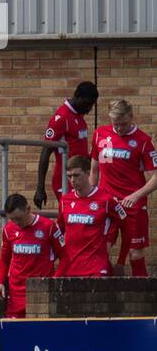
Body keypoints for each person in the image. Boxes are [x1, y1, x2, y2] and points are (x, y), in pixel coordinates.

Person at [90, 99, 157, 276]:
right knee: (101, 247)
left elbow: (155, 178)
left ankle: (143, 300)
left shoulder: (143, 141)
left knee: (135, 254)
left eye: (123, 124)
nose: (119, 128)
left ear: (131, 117)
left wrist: (136, 195)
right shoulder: (100, 135)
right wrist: (90, 198)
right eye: (115, 124)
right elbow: (94, 170)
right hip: (107, 203)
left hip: (132, 205)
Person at [0, 194, 64, 319]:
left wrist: (53, 280)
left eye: (18, 218)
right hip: (16, 294)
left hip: (41, 292)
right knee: (15, 334)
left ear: (28, 209)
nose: (16, 223)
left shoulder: (48, 227)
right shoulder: (8, 229)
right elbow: (4, 259)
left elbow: (64, 256)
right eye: (12, 219)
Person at [56, 156, 126, 277]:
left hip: (96, 266)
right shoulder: (65, 200)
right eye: (69, 176)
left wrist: (119, 257)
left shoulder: (106, 200)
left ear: (88, 173)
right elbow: (58, 231)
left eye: (76, 175)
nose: (72, 180)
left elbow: (125, 224)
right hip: (70, 265)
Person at [35, 82, 98, 209]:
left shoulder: (79, 117)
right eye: (87, 104)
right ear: (77, 96)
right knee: (73, 217)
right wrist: (40, 188)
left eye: (91, 105)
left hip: (82, 177)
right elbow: (45, 152)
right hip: (65, 180)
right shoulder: (61, 118)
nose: (89, 109)